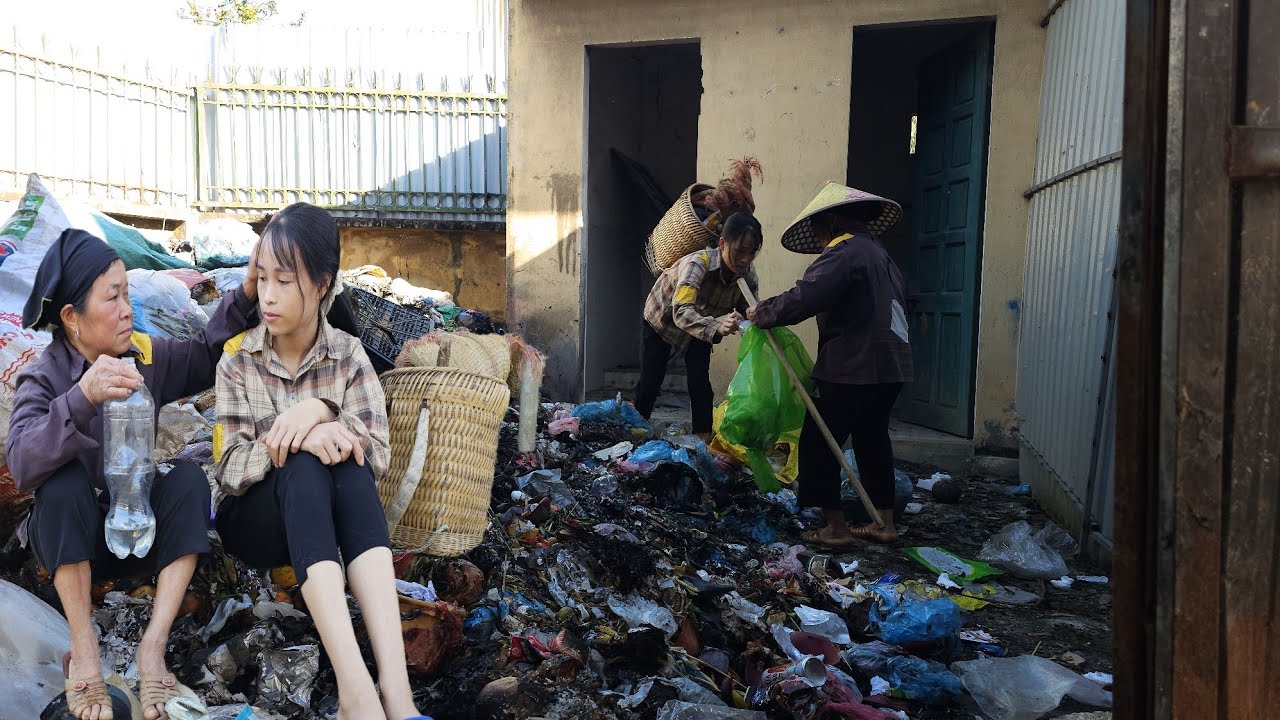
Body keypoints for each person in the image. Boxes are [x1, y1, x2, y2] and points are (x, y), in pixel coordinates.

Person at [7, 228, 259, 720]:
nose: (127, 308)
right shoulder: (44, 375)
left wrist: (247, 292)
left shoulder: (143, 357)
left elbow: (206, 356)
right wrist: (82, 398)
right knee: (60, 486)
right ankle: (84, 652)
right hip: (71, 546)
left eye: (127, 293)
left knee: (186, 480)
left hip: (137, 532)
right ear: (71, 319)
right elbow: (20, 462)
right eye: (113, 297)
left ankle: (152, 648)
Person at [212, 203, 427, 720]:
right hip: (255, 524)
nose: (268, 295)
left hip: (323, 524)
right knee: (307, 464)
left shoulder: (350, 357)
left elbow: (375, 455)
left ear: (322, 284)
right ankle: (357, 692)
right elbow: (229, 467)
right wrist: (296, 435)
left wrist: (323, 412)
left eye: (285, 281)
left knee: (349, 463)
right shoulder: (238, 359)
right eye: (262, 278)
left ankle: (397, 697)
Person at [747, 183, 912, 547]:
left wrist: (765, 311)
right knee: (872, 440)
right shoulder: (879, 254)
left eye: (820, 231)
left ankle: (835, 528)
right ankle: (884, 522)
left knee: (819, 443)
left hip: (854, 366)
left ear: (832, 222)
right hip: (891, 365)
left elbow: (808, 295)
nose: (819, 240)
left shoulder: (843, 253)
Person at [635, 212, 762, 438]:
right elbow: (681, 311)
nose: (745, 259)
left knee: (700, 384)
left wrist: (755, 317)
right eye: (740, 251)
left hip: (700, 325)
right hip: (662, 320)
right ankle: (634, 434)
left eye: (751, 252)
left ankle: (703, 441)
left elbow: (750, 308)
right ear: (722, 244)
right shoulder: (697, 264)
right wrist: (717, 326)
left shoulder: (747, 276)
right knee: (650, 383)